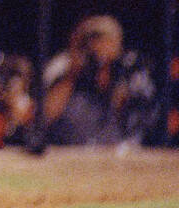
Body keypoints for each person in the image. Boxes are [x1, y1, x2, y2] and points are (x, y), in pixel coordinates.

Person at [43, 14, 157, 146]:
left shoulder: (128, 69)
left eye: (109, 43)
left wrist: (116, 81)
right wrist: (73, 73)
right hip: (69, 152)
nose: (102, 55)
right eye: (97, 43)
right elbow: (45, 116)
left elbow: (145, 119)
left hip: (113, 154)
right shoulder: (64, 66)